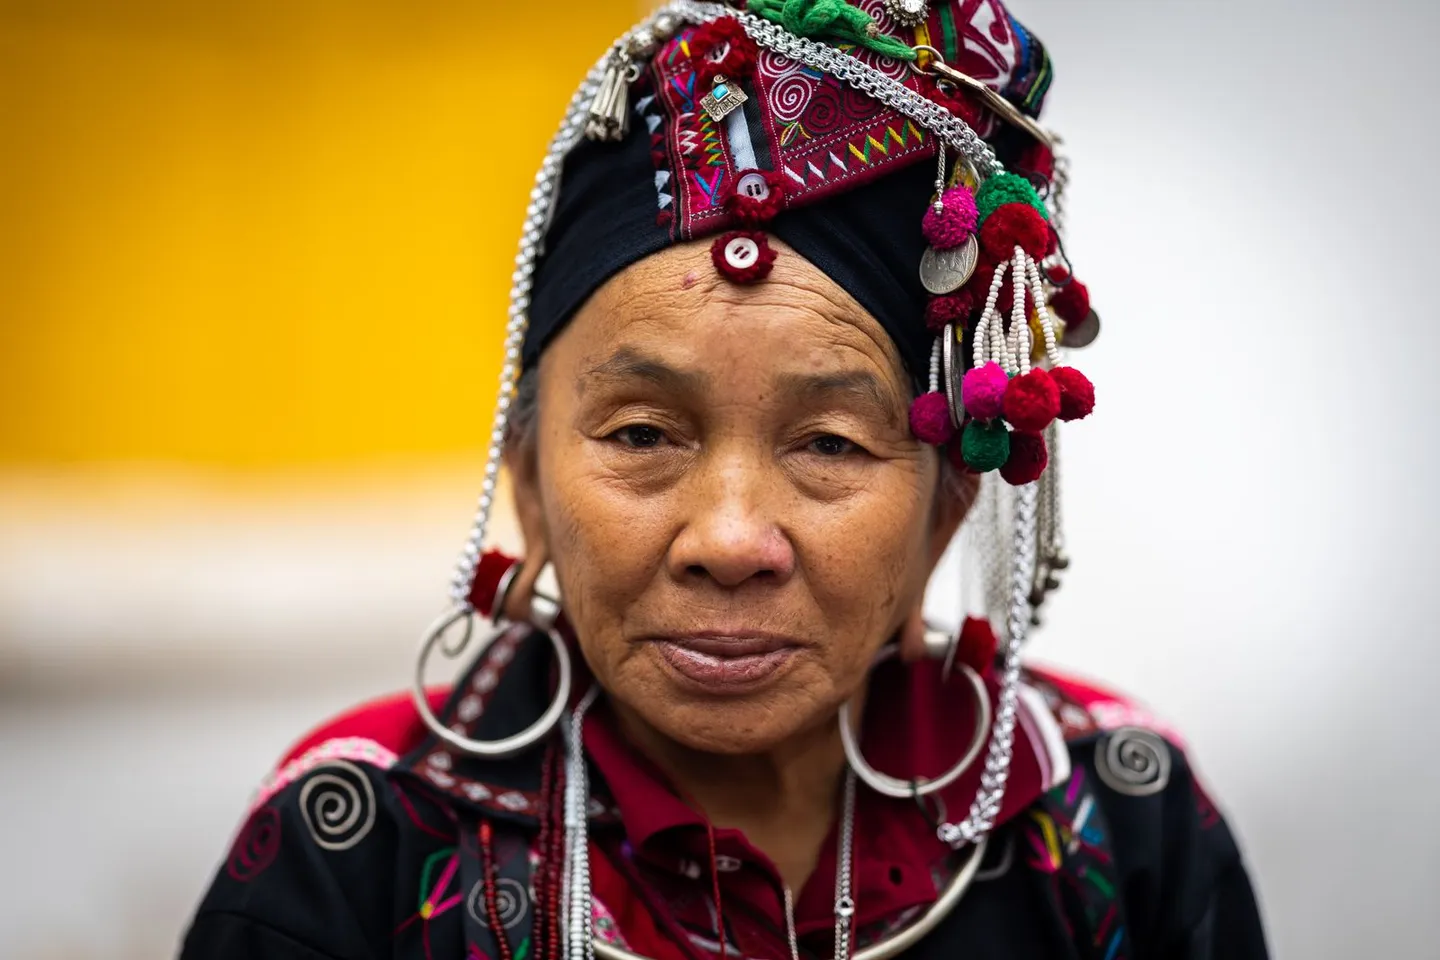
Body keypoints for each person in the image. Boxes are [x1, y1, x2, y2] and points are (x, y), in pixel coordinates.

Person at [180, 2, 1268, 958]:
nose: (732, 538)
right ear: (526, 480)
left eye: (831, 445)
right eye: (645, 434)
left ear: (948, 506)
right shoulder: (353, 849)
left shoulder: (1123, 825)